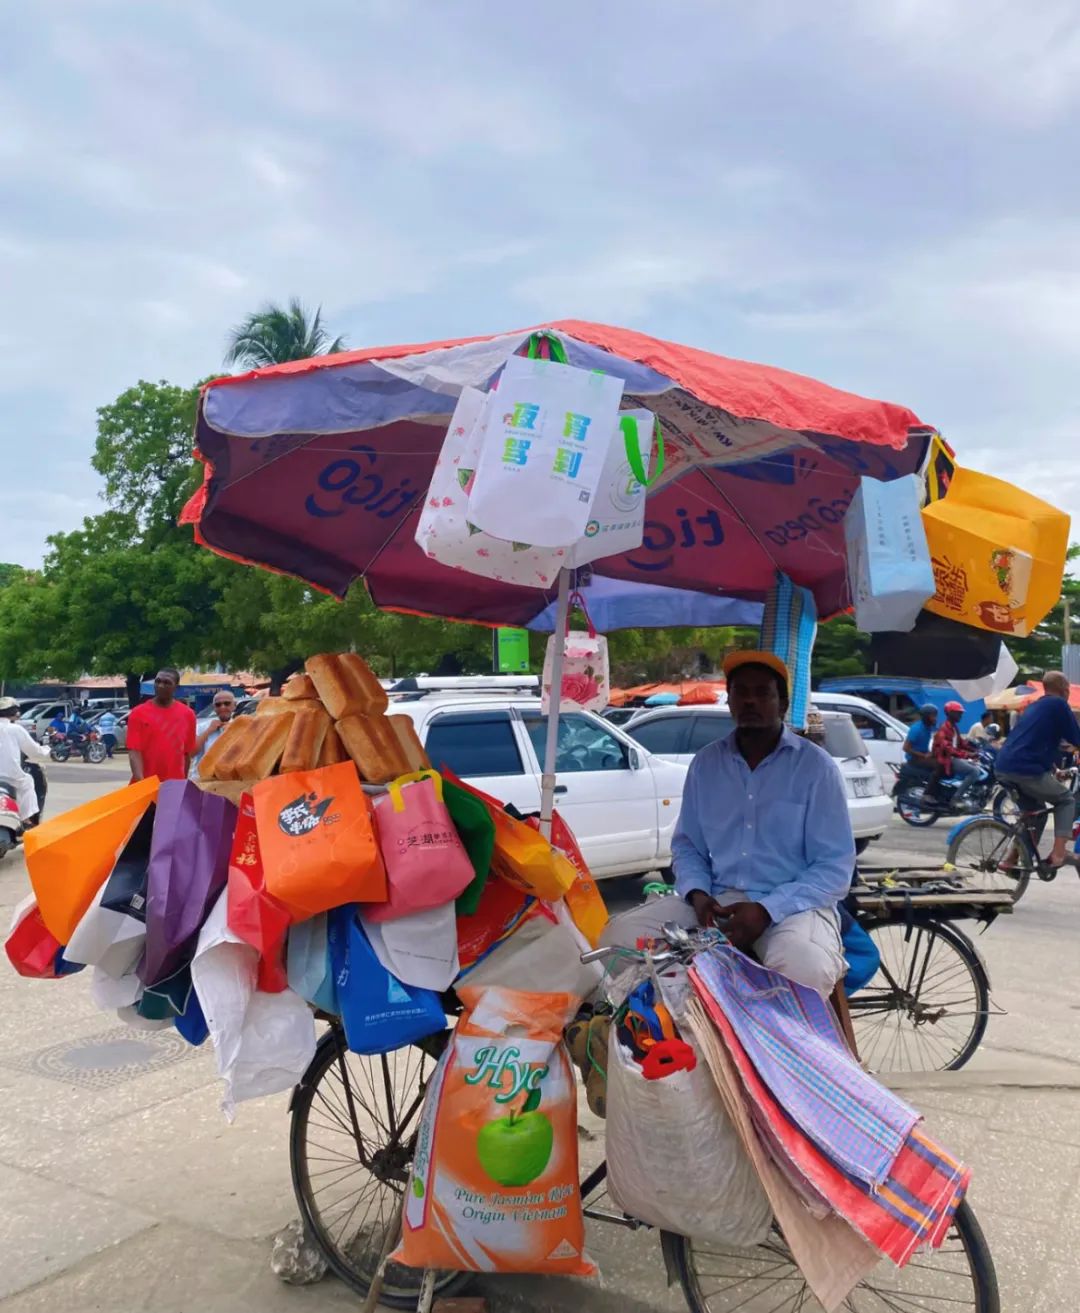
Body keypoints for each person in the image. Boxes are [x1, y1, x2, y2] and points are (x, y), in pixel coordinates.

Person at [672, 650, 854, 997]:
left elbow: (834, 867)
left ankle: (777, 1036)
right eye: (741, 692)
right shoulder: (706, 764)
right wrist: (697, 894)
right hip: (719, 898)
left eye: (762, 693)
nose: (750, 701)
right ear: (729, 701)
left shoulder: (816, 768)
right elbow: (687, 846)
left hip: (793, 905)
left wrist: (767, 910)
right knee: (623, 938)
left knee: (805, 968)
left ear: (782, 704)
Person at [995, 670, 1080, 869]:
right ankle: (1058, 854)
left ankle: (1011, 859)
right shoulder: (1059, 704)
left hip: (1004, 766)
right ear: (1064, 689)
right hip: (1025, 770)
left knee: (1036, 813)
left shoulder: (1033, 707)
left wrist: (1054, 769)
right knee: (1066, 799)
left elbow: (1033, 742)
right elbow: (1076, 737)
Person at [126, 668, 197, 783]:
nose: (160, 686)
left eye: (167, 683)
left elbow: (186, 754)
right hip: (145, 784)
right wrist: (142, 782)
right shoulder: (138, 713)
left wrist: (182, 783)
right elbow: (134, 752)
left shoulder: (188, 714)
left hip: (173, 785)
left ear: (176, 687)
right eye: (158, 681)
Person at [0, 697, 50, 823]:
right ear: (15, 712)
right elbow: (34, 751)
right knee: (27, 781)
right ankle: (26, 820)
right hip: (10, 776)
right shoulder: (15, 729)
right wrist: (46, 750)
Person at [932, 701, 980, 805]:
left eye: (961, 713)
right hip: (947, 759)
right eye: (958, 713)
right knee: (974, 772)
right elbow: (948, 748)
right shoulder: (944, 728)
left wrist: (975, 749)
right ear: (950, 713)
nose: (960, 715)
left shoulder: (953, 727)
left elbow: (961, 743)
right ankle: (956, 798)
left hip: (953, 757)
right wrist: (967, 755)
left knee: (978, 766)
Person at [190, 691, 237, 777]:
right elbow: (192, 753)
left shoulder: (241, 727)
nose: (222, 707)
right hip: (202, 778)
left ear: (234, 705)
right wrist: (209, 731)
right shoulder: (201, 727)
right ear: (214, 708)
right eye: (218, 705)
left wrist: (232, 732)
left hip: (230, 779)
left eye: (227, 703)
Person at [901, 704, 939, 791]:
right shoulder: (917, 729)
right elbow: (906, 748)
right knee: (939, 766)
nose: (935, 718)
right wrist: (923, 755)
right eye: (933, 716)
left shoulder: (928, 727)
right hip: (915, 758)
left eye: (935, 716)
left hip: (923, 755)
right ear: (926, 717)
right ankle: (929, 792)